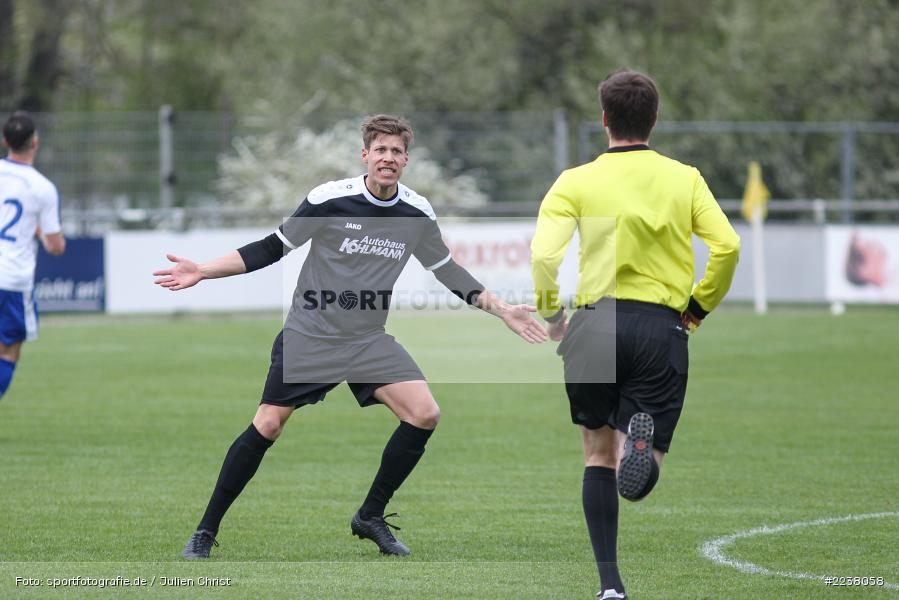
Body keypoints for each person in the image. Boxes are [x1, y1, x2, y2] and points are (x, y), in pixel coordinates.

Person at [154, 114, 547, 560]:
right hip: (311, 333)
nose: (388, 158)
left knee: (424, 413)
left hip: (366, 340)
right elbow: (272, 247)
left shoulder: (416, 213)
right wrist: (202, 270)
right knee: (267, 424)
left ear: (406, 160)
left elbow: (448, 272)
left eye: (397, 152)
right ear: (365, 155)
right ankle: (205, 531)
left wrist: (502, 311)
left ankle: (370, 516)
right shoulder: (329, 199)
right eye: (380, 150)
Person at [530, 70, 740, 599]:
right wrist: (697, 308)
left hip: (593, 324)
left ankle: (610, 586)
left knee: (595, 455)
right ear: (654, 119)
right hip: (659, 325)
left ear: (604, 119)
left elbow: (543, 256)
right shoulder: (684, 177)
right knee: (639, 473)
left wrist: (553, 315)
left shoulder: (575, 180)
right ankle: (640, 445)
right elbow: (728, 246)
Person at [0, 111, 66, 400]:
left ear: (5, 141)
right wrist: (38, 229)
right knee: (8, 350)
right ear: (35, 142)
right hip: (12, 279)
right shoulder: (42, 188)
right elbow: (55, 246)